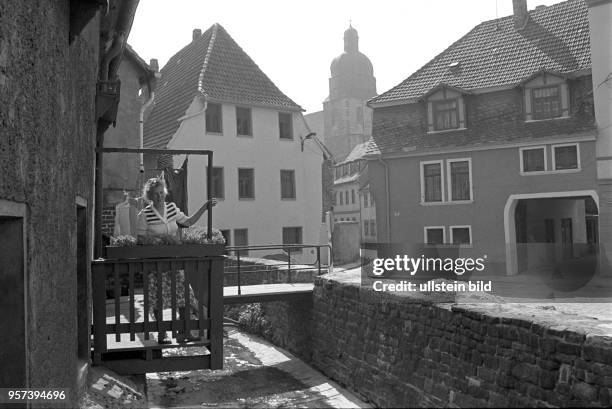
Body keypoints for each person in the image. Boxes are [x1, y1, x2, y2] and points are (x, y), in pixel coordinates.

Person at [137, 177, 217, 343]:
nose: (160, 196)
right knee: (158, 300)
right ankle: (161, 334)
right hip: (155, 264)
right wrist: (162, 239)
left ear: (165, 192)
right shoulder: (145, 214)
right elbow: (140, 238)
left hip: (174, 261)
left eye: (161, 193)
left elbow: (187, 222)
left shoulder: (172, 208)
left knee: (184, 297)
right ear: (150, 196)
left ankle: (184, 333)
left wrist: (204, 208)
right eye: (156, 194)